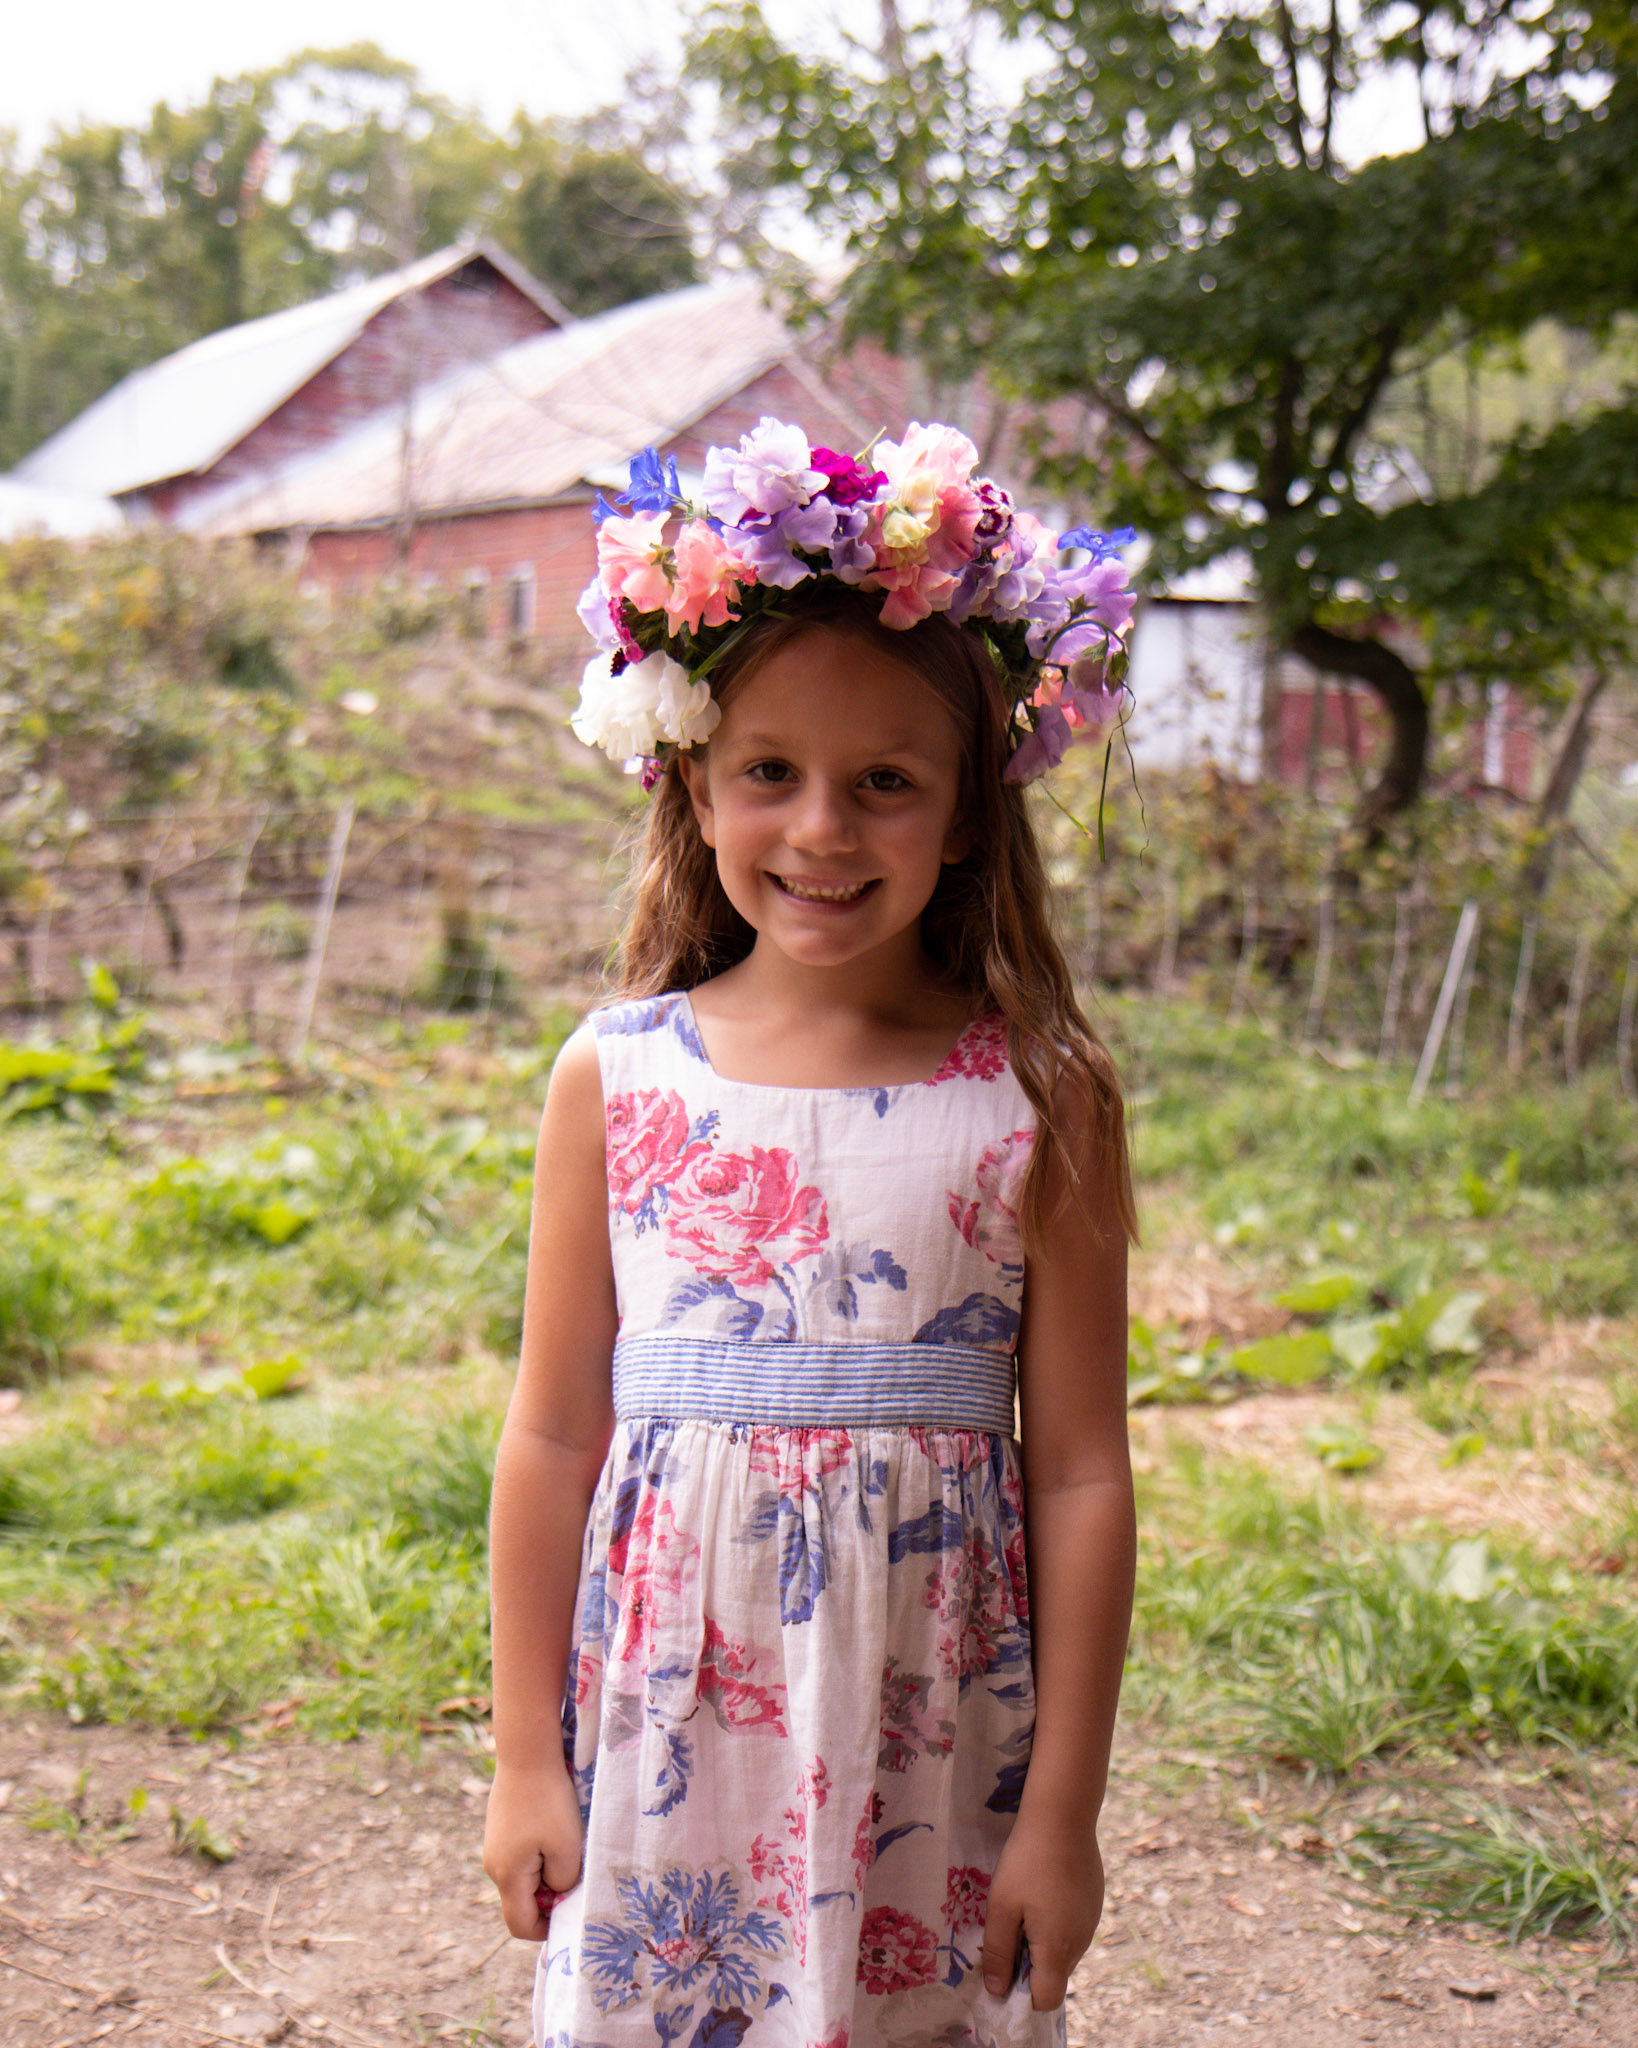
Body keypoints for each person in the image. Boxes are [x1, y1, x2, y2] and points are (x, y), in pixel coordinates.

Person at [484, 418, 1139, 2048]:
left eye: (885, 783)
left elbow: (1076, 1473)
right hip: (665, 1745)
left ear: (968, 811)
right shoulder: (616, 1077)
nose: (824, 830)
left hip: (937, 1741)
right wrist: (520, 1759)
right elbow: (553, 1432)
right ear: (692, 780)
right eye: (771, 771)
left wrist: (1060, 1819)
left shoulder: (1038, 1095)